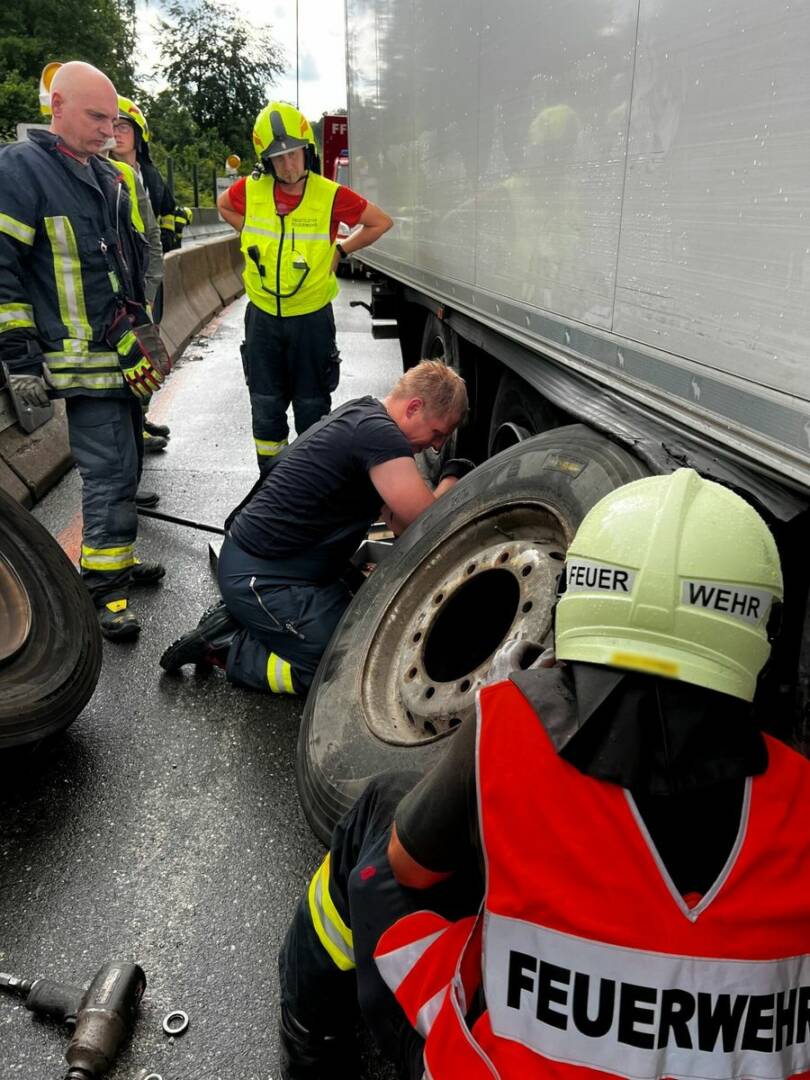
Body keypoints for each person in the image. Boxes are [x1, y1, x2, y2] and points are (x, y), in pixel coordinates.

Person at [274, 467, 810, 1080]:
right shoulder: (800, 801)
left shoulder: (510, 729)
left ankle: (311, 1039)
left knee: (382, 813)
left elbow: (408, 869)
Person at [159, 361, 471, 695]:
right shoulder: (380, 437)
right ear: (413, 407)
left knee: (368, 631)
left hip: (296, 571)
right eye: (437, 433)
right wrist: (454, 476)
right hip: (262, 579)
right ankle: (230, 646)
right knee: (344, 668)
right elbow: (427, 523)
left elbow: (398, 522)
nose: (437, 446)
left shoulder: (366, 417)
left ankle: (250, 619)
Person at [0, 61, 168, 641]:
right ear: (57, 107)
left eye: (113, 120)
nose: (107, 130)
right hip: (78, 358)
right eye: (96, 117)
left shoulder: (106, 175)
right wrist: (20, 360)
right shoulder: (21, 169)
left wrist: (142, 334)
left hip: (119, 353)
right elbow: (3, 272)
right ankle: (101, 588)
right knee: (109, 470)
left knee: (128, 463)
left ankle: (116, 557)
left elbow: (121, 266)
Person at [217, 101, 393, 472]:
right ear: (266, 161)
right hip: (263, 318)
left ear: (306, 150)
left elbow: (379, 222)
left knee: (312, 408)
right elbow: (223, 205)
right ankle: (270, 482)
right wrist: (248, 232)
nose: (288, 165)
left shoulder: (328, 194)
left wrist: (340, 249)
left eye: (294, 154)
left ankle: (307, 483)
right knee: (265, 407)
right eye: (278, 158)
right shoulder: (252, 190)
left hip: (311, 320)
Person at [111, 95, 174, 451]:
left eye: (124, 127)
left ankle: (141, 418)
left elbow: (157, 226)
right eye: (112, 125)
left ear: (139, 134)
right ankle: (132, 427)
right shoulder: (100, 171)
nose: (116, 133)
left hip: (148, 278)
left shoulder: (147, 176)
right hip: (122, 283)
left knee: (148, 353)